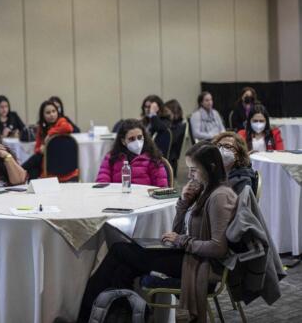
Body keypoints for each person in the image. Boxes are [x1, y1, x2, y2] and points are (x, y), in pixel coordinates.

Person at [78, 141, 237, 323]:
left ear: (211, 167)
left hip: (201, 263)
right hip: (189, 254)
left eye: (194, 170)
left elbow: (219, 248)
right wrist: (183, 205)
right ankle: (117, 315)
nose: (190, 175)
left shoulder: (220, 196)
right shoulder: (206, 190)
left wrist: (182, 241)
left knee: (119, 251)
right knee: (123, 266)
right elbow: (177, 230)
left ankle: (85, 314)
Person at [96, 119, 167, 187]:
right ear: (123, 141)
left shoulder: (153, 157)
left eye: (139, 137)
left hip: (144, 198)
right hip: (118, 198)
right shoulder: (111, 157)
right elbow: (102, 182)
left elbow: (161, 186)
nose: (137, 142)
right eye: (131, 139)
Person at [22, 100, 78, 181]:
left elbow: (68, 128)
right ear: (43, 115)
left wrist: (50, 134)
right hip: (48, 164)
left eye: (53, 111)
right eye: (48, 113)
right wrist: (42, 150)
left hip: (61, 163)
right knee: (33, 169)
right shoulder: (41, 128)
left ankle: (19, 171)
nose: (52, 114)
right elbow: (37, 149)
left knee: (31, 166)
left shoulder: (61, 121)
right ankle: (21, 173)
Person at [165, 99, 186, 176]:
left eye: (167, 111)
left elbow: (172, 139)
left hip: (173, 158)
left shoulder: (181, 125)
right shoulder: (170, 124)